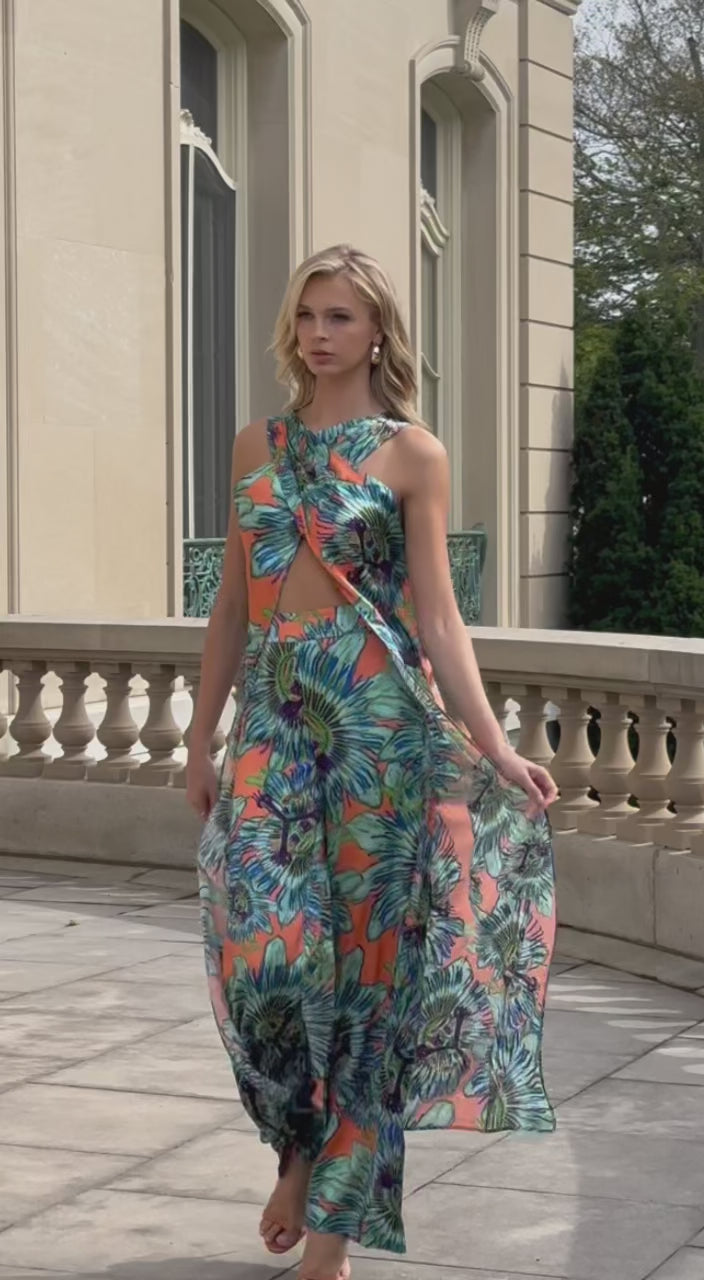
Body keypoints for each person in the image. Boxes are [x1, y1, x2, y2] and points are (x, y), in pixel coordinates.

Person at [187, 244, 558, 1280]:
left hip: (378, 728)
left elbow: (438, 614)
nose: (318, 331)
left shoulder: (412, 454)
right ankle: (300, 1140)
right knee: (264, 953)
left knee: (367, 984)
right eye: (307, 313)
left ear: (378, 330)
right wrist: (200, 732)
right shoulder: (252, 446)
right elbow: (230, 603)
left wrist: (493, 745)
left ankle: (331, 1234)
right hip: (276, 719)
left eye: (341, 315)